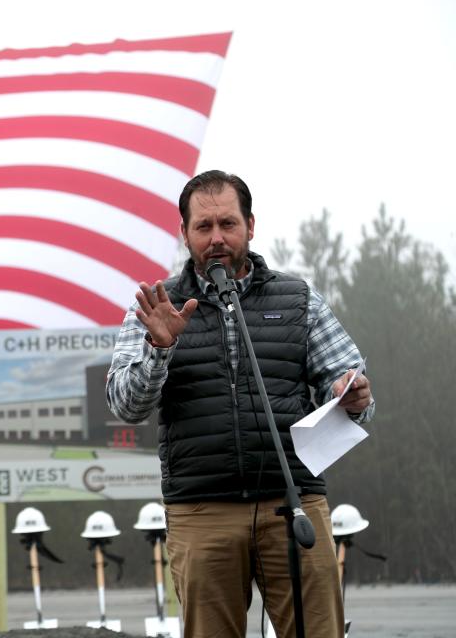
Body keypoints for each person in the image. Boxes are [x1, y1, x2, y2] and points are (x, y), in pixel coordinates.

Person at [106, 170, 374, 638]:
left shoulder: (298, 300)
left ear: (251, 225)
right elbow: (126, 406)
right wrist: (159, 350)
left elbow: (349, 386)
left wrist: (350, 395)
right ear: (184, 233)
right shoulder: (156, 309)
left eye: (227, 224)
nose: (216, 239)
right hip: (202, 511)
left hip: (294, 504)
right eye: (203, 227)